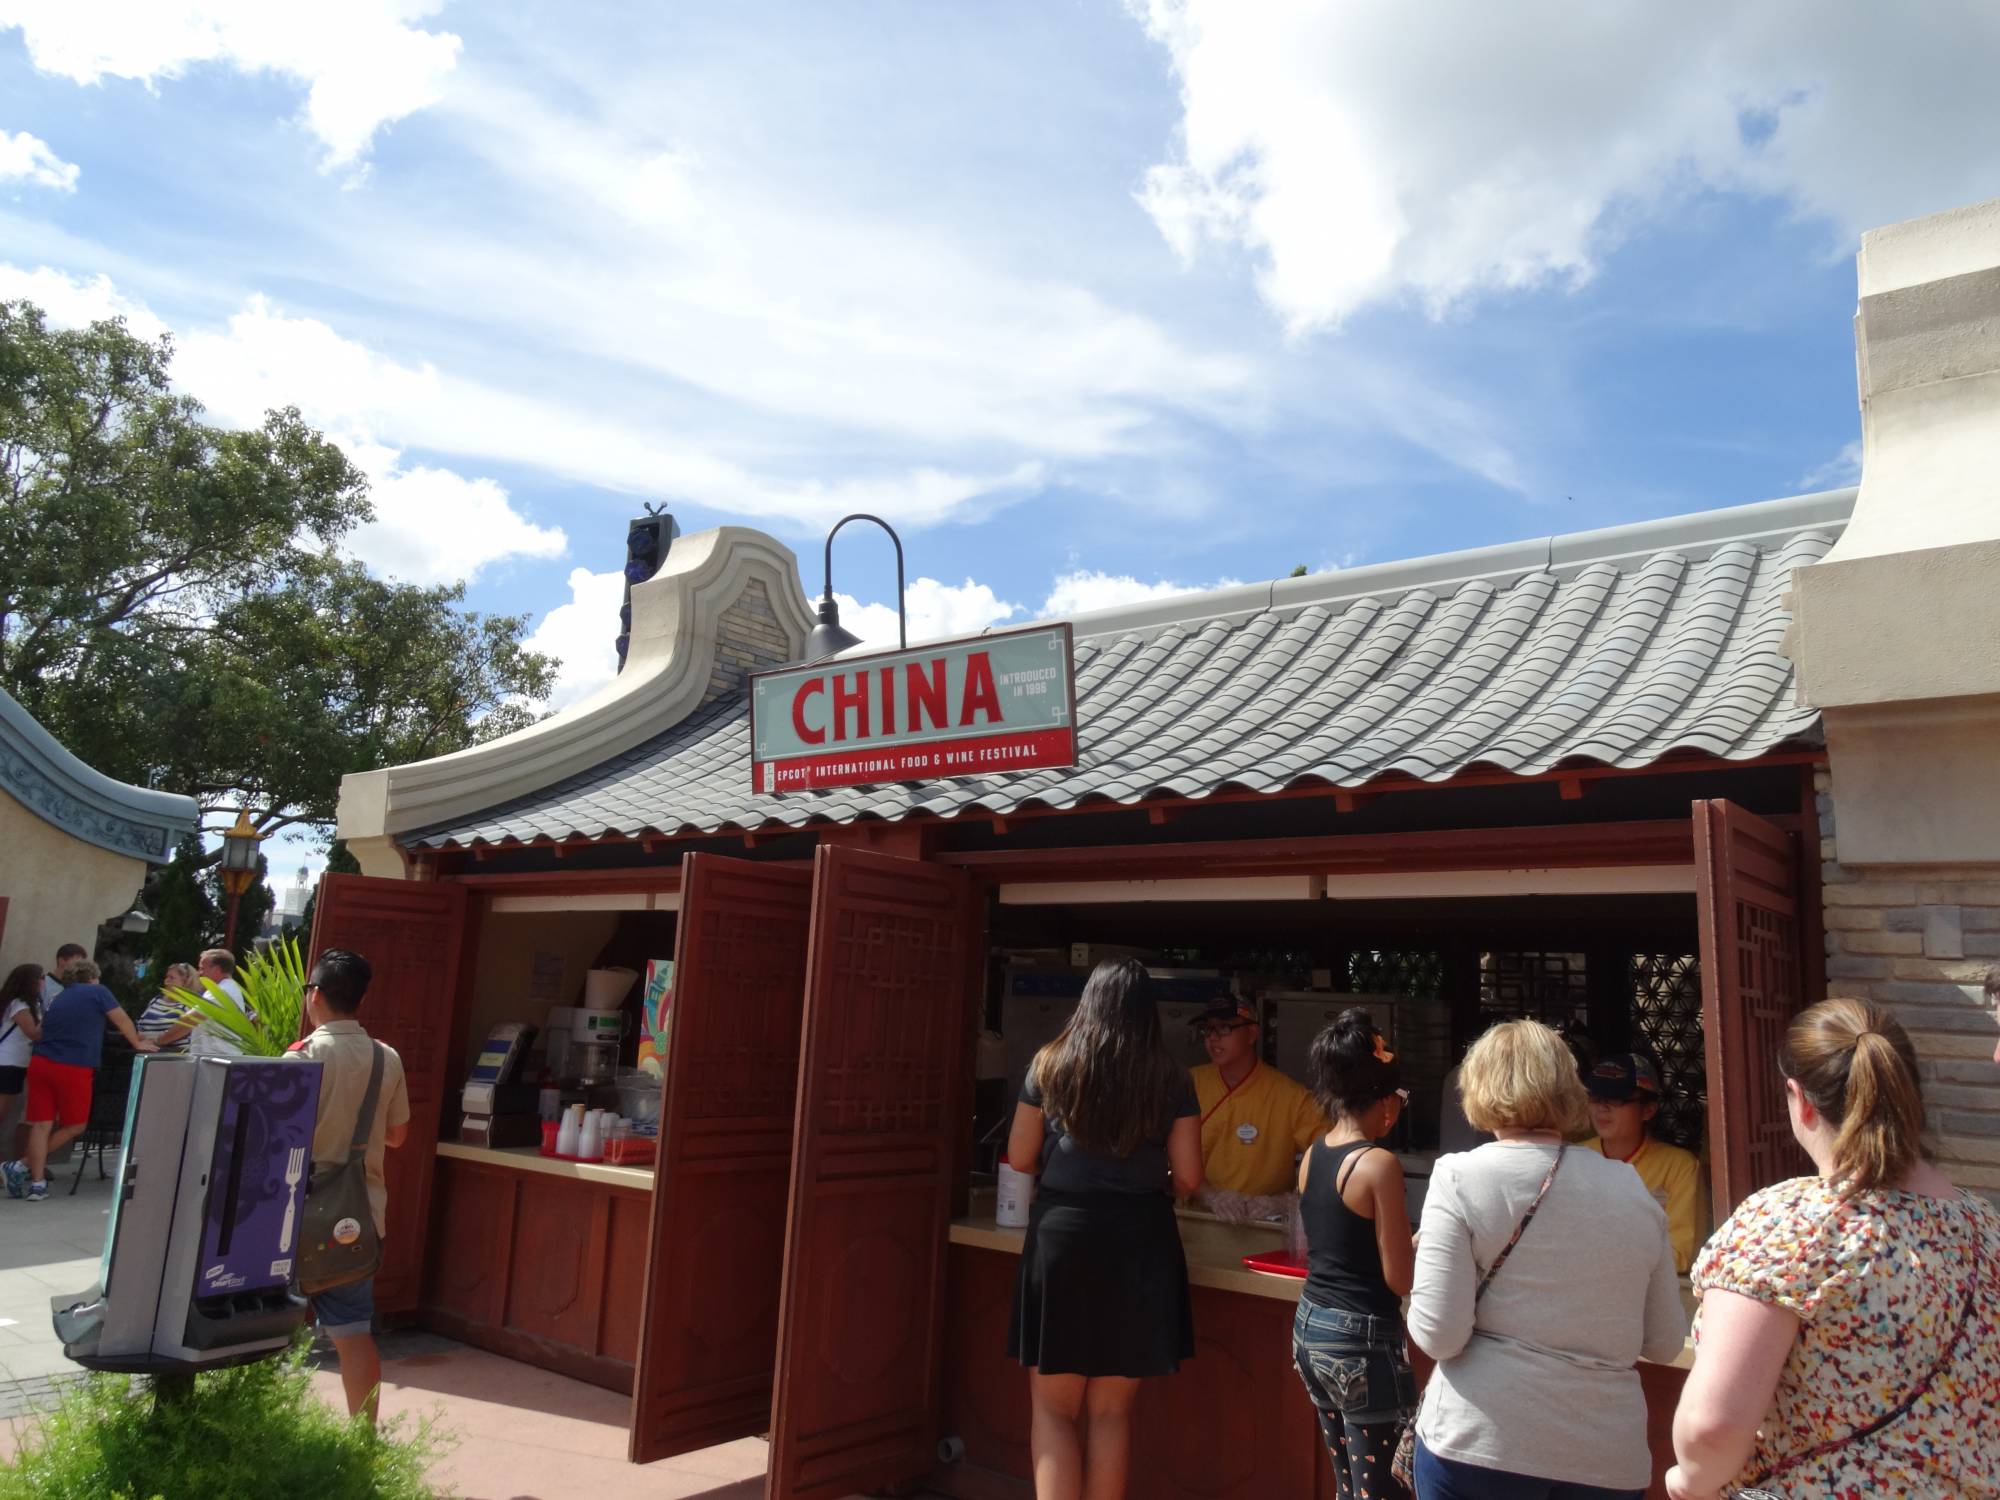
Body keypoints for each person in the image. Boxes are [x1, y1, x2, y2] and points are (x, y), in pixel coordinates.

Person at [1666, 998, 2000, 1499]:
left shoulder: (1788, 1223)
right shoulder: (1984, 1227)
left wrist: (1686, 1482)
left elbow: (1712, 1428)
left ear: (1800, 1099)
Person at [1407, 1019, 1685, 1500]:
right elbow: (1663, 1342)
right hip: (1604, 1454)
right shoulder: (1631, 1187)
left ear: (1477, 1089)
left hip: (1483, 1442)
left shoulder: (1458, 1177)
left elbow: (1439, 1335)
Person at [1006, 958, 1203, 1500]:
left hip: (1063, 1238)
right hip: (1141, 1241)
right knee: (1112, 1414)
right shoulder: (1172, 1077)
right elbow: (1188, 1176)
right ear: (1147, 1013)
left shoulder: (1049, 1065)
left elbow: (1020, 1156)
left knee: (1053, 1410)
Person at [1291, 1008, 1415, 1500]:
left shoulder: (1314, 1154)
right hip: (1361, 1338)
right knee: (1387, 1488)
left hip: (1311, 1327)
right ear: (1384, 1101)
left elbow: (1338, 1245)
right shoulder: (1378, 1164)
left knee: (1350, 1485)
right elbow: (1399, 1279)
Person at [286, 948, 409, 1425]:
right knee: (353, 1332)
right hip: (358, 1215)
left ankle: (278, 1429)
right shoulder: (386, 1057)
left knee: (276, 1328)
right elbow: (399, 1136)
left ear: (315, 995)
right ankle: (364, 1438)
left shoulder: (301, 1057)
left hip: (295, 1216)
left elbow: (276, 1140)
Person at [2, 959, 157, 1202]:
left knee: (41, 1124)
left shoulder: (58, 997)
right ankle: (21, 1166)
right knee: (75, 1125)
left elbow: (42, 1029)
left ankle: (37, 1183)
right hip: (74, 1065)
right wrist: (137, 1043)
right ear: (93, 976)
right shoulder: (98, 992)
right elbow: (122, 1019)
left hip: (41, 1063)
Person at [1189, 994, 1327, 1200]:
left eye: (1224, 1027)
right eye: (1208, 1029)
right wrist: (1211, 1197)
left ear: (1252, 1034)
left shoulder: (1291, 1097)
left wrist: (1285, 1202)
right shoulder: (1190, 1083)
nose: (1213, 1037)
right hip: (1197, 1219)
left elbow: (1332, 1159)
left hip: (1264, 1222)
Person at [1579, 1053, 1704, 1273]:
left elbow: (1679, 1255)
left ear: (1648, 1110)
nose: (1602, 1107)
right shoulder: (1576, 1157)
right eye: (1596, 1097)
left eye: (1616, 1099)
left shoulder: (1678, 1167)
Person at [0, 964, 46, 1152]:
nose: (43, 981)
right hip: (8, 1062)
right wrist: (50, 1016)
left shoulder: (28, 1004)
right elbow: (33, 1033)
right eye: (41, 977)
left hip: (14, 1063)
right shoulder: (19, 1005)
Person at [188, 948, 254, 1058]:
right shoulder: (223, 988)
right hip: (213, 1059)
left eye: (202, 969)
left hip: (216, 1061)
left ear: (217, 970)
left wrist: (159, 1041)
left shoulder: (221, 991)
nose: (199, 973)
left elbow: (190, 1019)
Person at [133, 962, 199, 1054]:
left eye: (171, 978)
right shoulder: (156, 1000)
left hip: (173, 1056)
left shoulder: (189, 1005)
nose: (166, 981)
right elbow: (140, 1026)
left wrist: (155, 1042)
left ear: (185, 982)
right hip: (146, 1053)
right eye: (167, 977)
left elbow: (179, 1031)